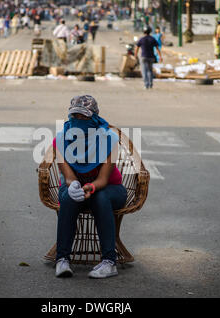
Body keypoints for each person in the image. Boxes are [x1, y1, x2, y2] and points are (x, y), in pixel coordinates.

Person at [54, 95, 127, 279]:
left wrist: (89, 189)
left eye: (84, 117)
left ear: (94, 118)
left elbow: (102, 180)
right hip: (77, 187)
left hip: (110, 189)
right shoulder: (61, 139)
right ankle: (62, 259)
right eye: (75, 116)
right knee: (67, 197)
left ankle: (110, 262)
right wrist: (73, 186)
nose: (78, 121)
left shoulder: (109, 140)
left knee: (100, 196)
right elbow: (68, 176)